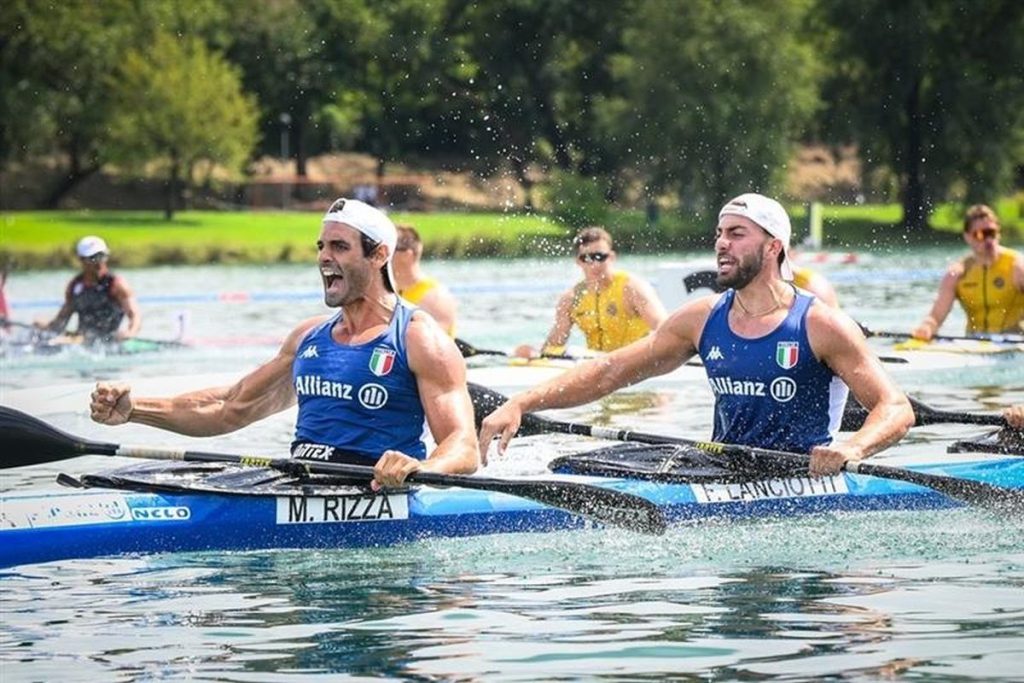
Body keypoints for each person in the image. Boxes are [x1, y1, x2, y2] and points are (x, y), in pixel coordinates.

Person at [482, 193, 914, 476]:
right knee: (574, 468)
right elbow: (609, 372)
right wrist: (520, 402)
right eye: (720, 234)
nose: (722, 244)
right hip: (722, 467)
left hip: (797, 474)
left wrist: (853, 449)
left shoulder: (820, 324)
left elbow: (895, 408)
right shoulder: (701, 319)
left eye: (737, 234)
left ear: (773, 246)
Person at [89, 199, 479, 488]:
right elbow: (229, 407)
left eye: (339, 247)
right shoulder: (308, 337)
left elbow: (463, 446)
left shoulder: (418, 337)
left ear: (378, 255)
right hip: (299, 481)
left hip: (373, 486)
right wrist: (136, 409)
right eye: (321, 247)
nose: (324, 258)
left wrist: (417, 467)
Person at [515, 226, 668, 358]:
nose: (594, 264)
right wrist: (535, 354)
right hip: (596, 367)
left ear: (612, 257)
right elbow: (555, 344)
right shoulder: (571, 299)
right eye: (586, 258)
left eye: (600, 257)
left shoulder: (633, 289)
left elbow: (665, 329)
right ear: (578, 262)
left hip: (637, 363)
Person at [913, 204, 1024, 340]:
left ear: (998, 233)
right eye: (980, 234)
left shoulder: (1017, 267)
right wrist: (926, 328)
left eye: (992, 233)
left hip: (1014, 343)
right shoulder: (957, 273)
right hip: (973, 343)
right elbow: (936, 317)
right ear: (967, 237)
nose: (988, 240)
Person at [37, 236, 142, 343]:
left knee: (62, 341)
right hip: (80, 339)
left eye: (102, 256)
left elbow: (135, 315)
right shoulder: (75, 286)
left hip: (108, 340)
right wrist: (44, 326)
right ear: (81, 259)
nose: (99, 262)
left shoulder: (117, 284)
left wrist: (130, 332)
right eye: (93, 258)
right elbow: (60, 322)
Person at [392, 225, 459, 337]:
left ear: (407, 255)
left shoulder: (435, 297)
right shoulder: (389, 290)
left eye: (389, 249)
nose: (382, 255)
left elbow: (436, 342)